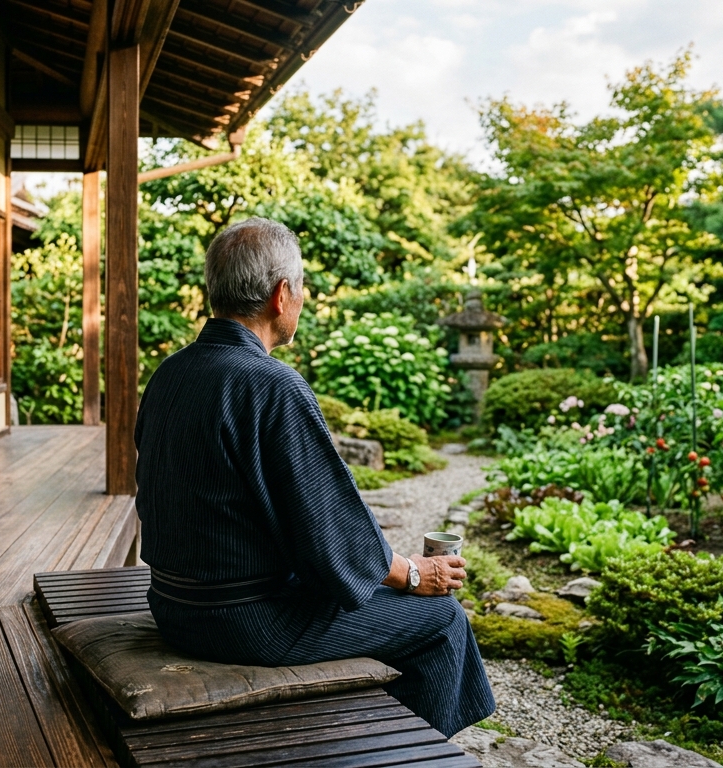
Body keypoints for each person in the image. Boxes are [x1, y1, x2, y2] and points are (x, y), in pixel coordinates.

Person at [134, 217, 495, 737]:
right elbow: (329, 528)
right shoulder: (271, 384)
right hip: (242, 624)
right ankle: (388, 751)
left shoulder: (171, 373)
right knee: (441, 623)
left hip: (174, 605)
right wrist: (414, 574)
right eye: (301, 290)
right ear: (282, 295)